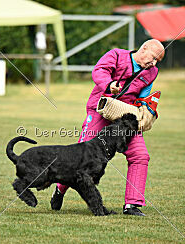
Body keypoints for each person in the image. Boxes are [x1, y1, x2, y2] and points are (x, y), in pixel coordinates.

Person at [50, 39, 165, 216]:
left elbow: (143, 97)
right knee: (80, 156)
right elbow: (99, 72)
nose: (154, 63)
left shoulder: (152, 72)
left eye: (158, 61)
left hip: (125, 117)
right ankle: (60, 189)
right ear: (144, 48)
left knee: (140, 155)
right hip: (100, 109)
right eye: (154, 58)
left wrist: (147, 110)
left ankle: (132, 205)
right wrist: (110, 85)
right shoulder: (116, 55)